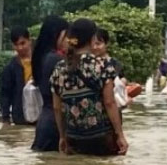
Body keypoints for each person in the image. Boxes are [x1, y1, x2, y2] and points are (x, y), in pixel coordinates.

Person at [51, 19, 128, 156]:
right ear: (92, 38)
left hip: (74, 137)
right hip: (102, 137)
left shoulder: (59, 69)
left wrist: (62, 136)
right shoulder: (102, 65)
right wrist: (120, 134)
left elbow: (57, 108)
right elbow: (109, 103)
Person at [31, 16, 69, 152]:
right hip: (55, 123)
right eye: (65, 36)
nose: (68, 41)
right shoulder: (55, 59)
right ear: (56, 35)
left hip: (45, 121)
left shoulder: (42, 56)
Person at [0, 27, 33, 125]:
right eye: (16, 45)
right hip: (20, 117)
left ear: (29, 41)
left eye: (23, 43)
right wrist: (5, 118)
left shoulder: (41, 62)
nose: (20, 48)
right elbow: (5, 94)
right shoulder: (10, 68)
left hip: (40, 115)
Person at [94, 28, 129, 110]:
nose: (95, 47)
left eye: (98, 44)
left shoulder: (115, 64)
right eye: (93, 44)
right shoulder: (88, 63)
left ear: (106, 44)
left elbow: (122, 80)